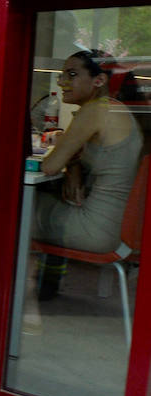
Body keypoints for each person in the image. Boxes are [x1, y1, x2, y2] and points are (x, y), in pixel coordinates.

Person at [30, 50, 144, 307]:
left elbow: (49, 165)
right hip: (120, 228)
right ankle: (43, 285)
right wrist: (75, 169)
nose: (62, 82)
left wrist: (70, 165)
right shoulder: (115, 110)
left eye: (72, 74)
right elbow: (73, 161)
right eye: (61, 75)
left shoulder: (95, 110)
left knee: (6, 207)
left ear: (99, 81)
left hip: (97, 230)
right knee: (46, 197)